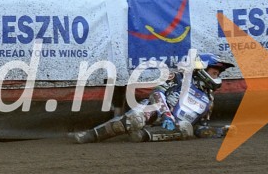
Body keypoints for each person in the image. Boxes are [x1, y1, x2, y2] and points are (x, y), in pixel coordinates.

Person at [70, 53, 235, 143]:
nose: (217, 76)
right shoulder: (179, 78)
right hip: (154, 110)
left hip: (173, 128)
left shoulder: (209, 100)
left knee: (187, 128)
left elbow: (200, 128)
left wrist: (220, 131)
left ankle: (144, 136)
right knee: (135, 119)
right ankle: (92, 135)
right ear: (202, 69)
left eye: (218, 74)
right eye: (214, 72)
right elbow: (157, 93)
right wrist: (166, 115)